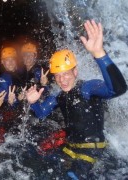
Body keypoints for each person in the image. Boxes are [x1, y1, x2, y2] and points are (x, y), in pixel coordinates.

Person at [26, 20, 127, 178]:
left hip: (91, 150)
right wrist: (33, 103)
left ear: (75, 72)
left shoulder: (87, 88)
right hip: (71, 147)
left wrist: (99, 54)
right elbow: (41, 113)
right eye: (58, 76)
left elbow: (118, 89)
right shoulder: (59, 96)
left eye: (66, 73)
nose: (62, 80)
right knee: (38, 161)